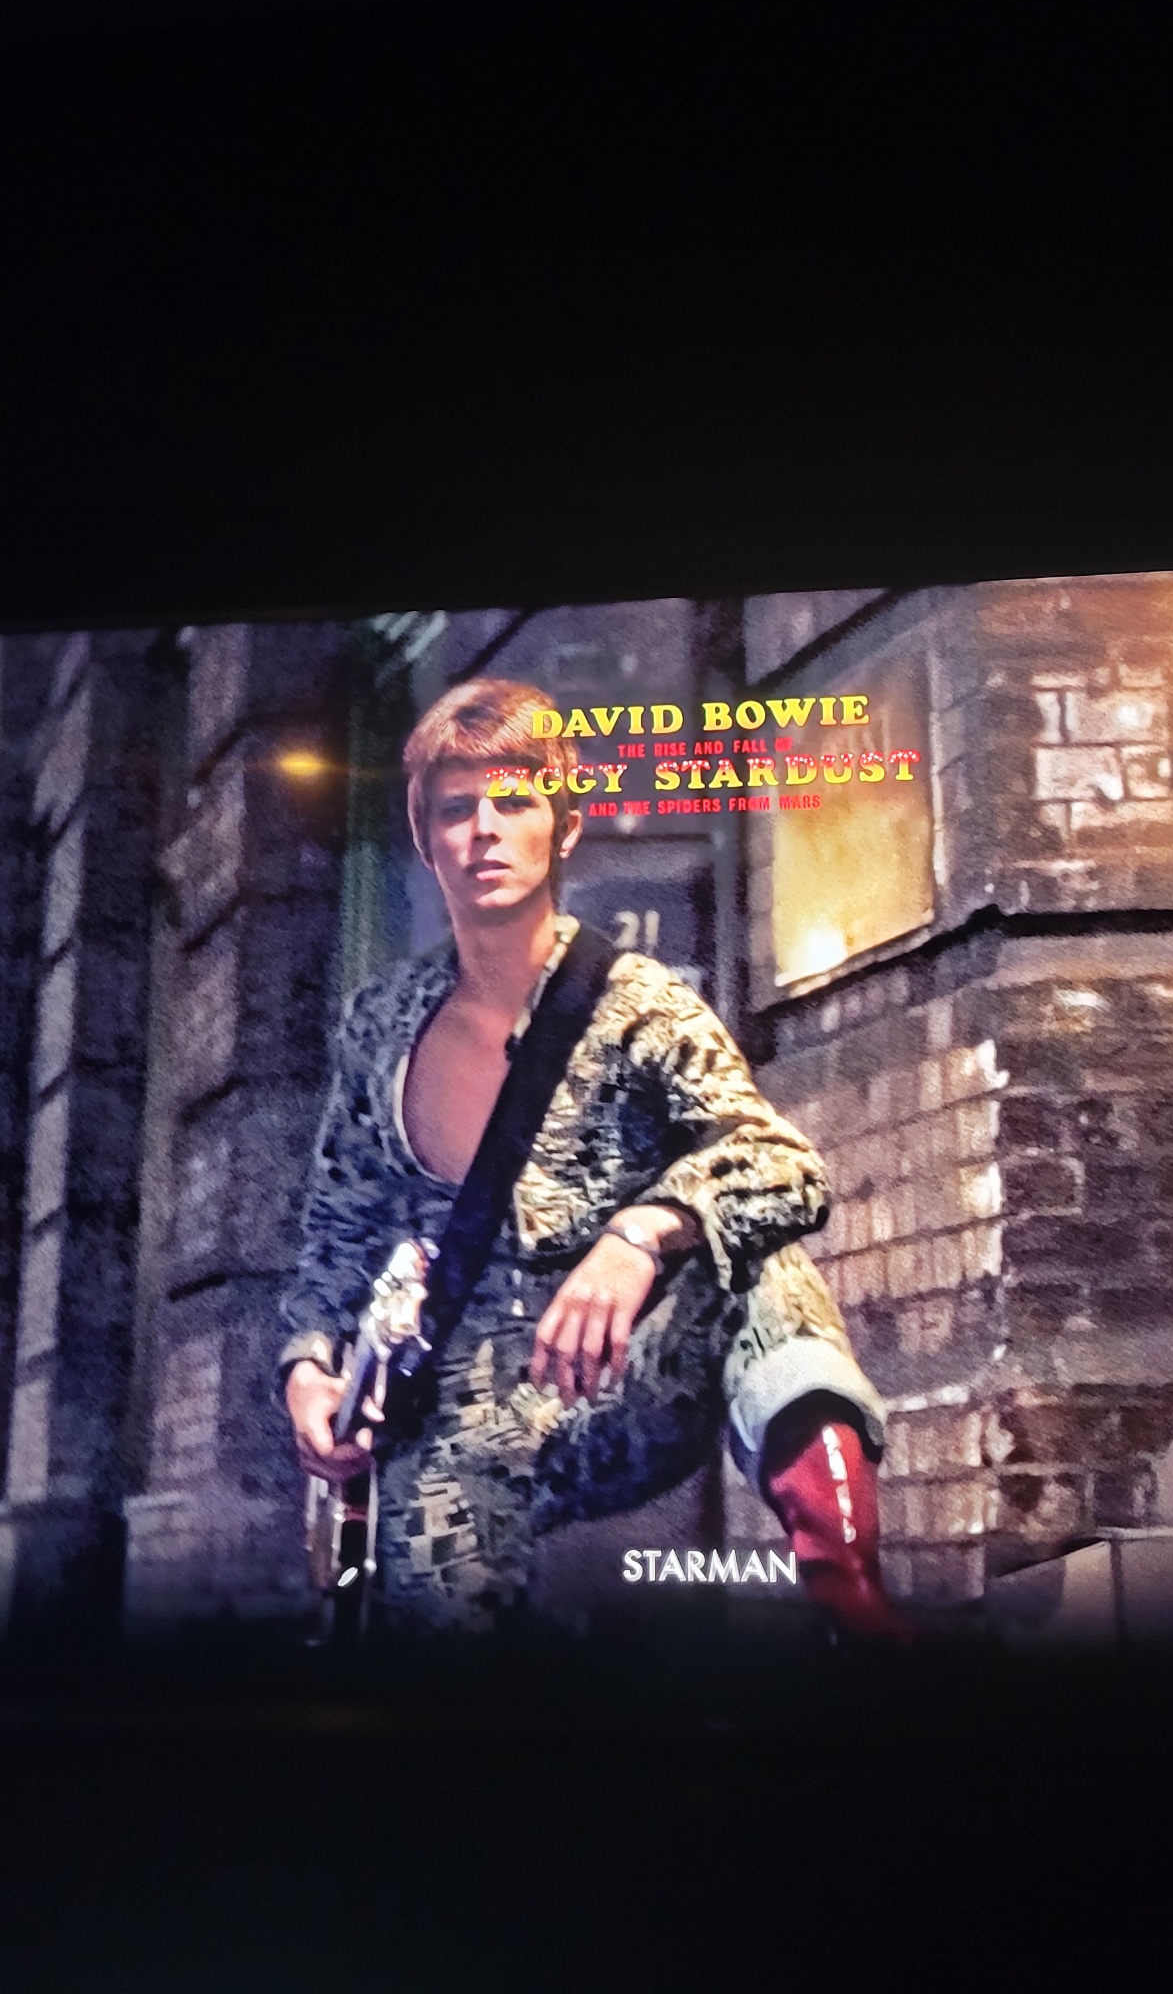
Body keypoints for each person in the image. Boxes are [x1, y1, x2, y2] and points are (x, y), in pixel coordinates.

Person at [275, 678, 905, 1640]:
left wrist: (642, 1234)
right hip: (444, 1426)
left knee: (758, 1261)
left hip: (606, 1390)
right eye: (456, 809)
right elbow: (337, 1231)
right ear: (425, 837)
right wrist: (309, 1371)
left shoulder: (635, 1001)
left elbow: (782, 1162)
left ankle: (852, 1600)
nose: (484, 831)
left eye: (514, 802)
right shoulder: (380, 1022)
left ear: (564, 827)